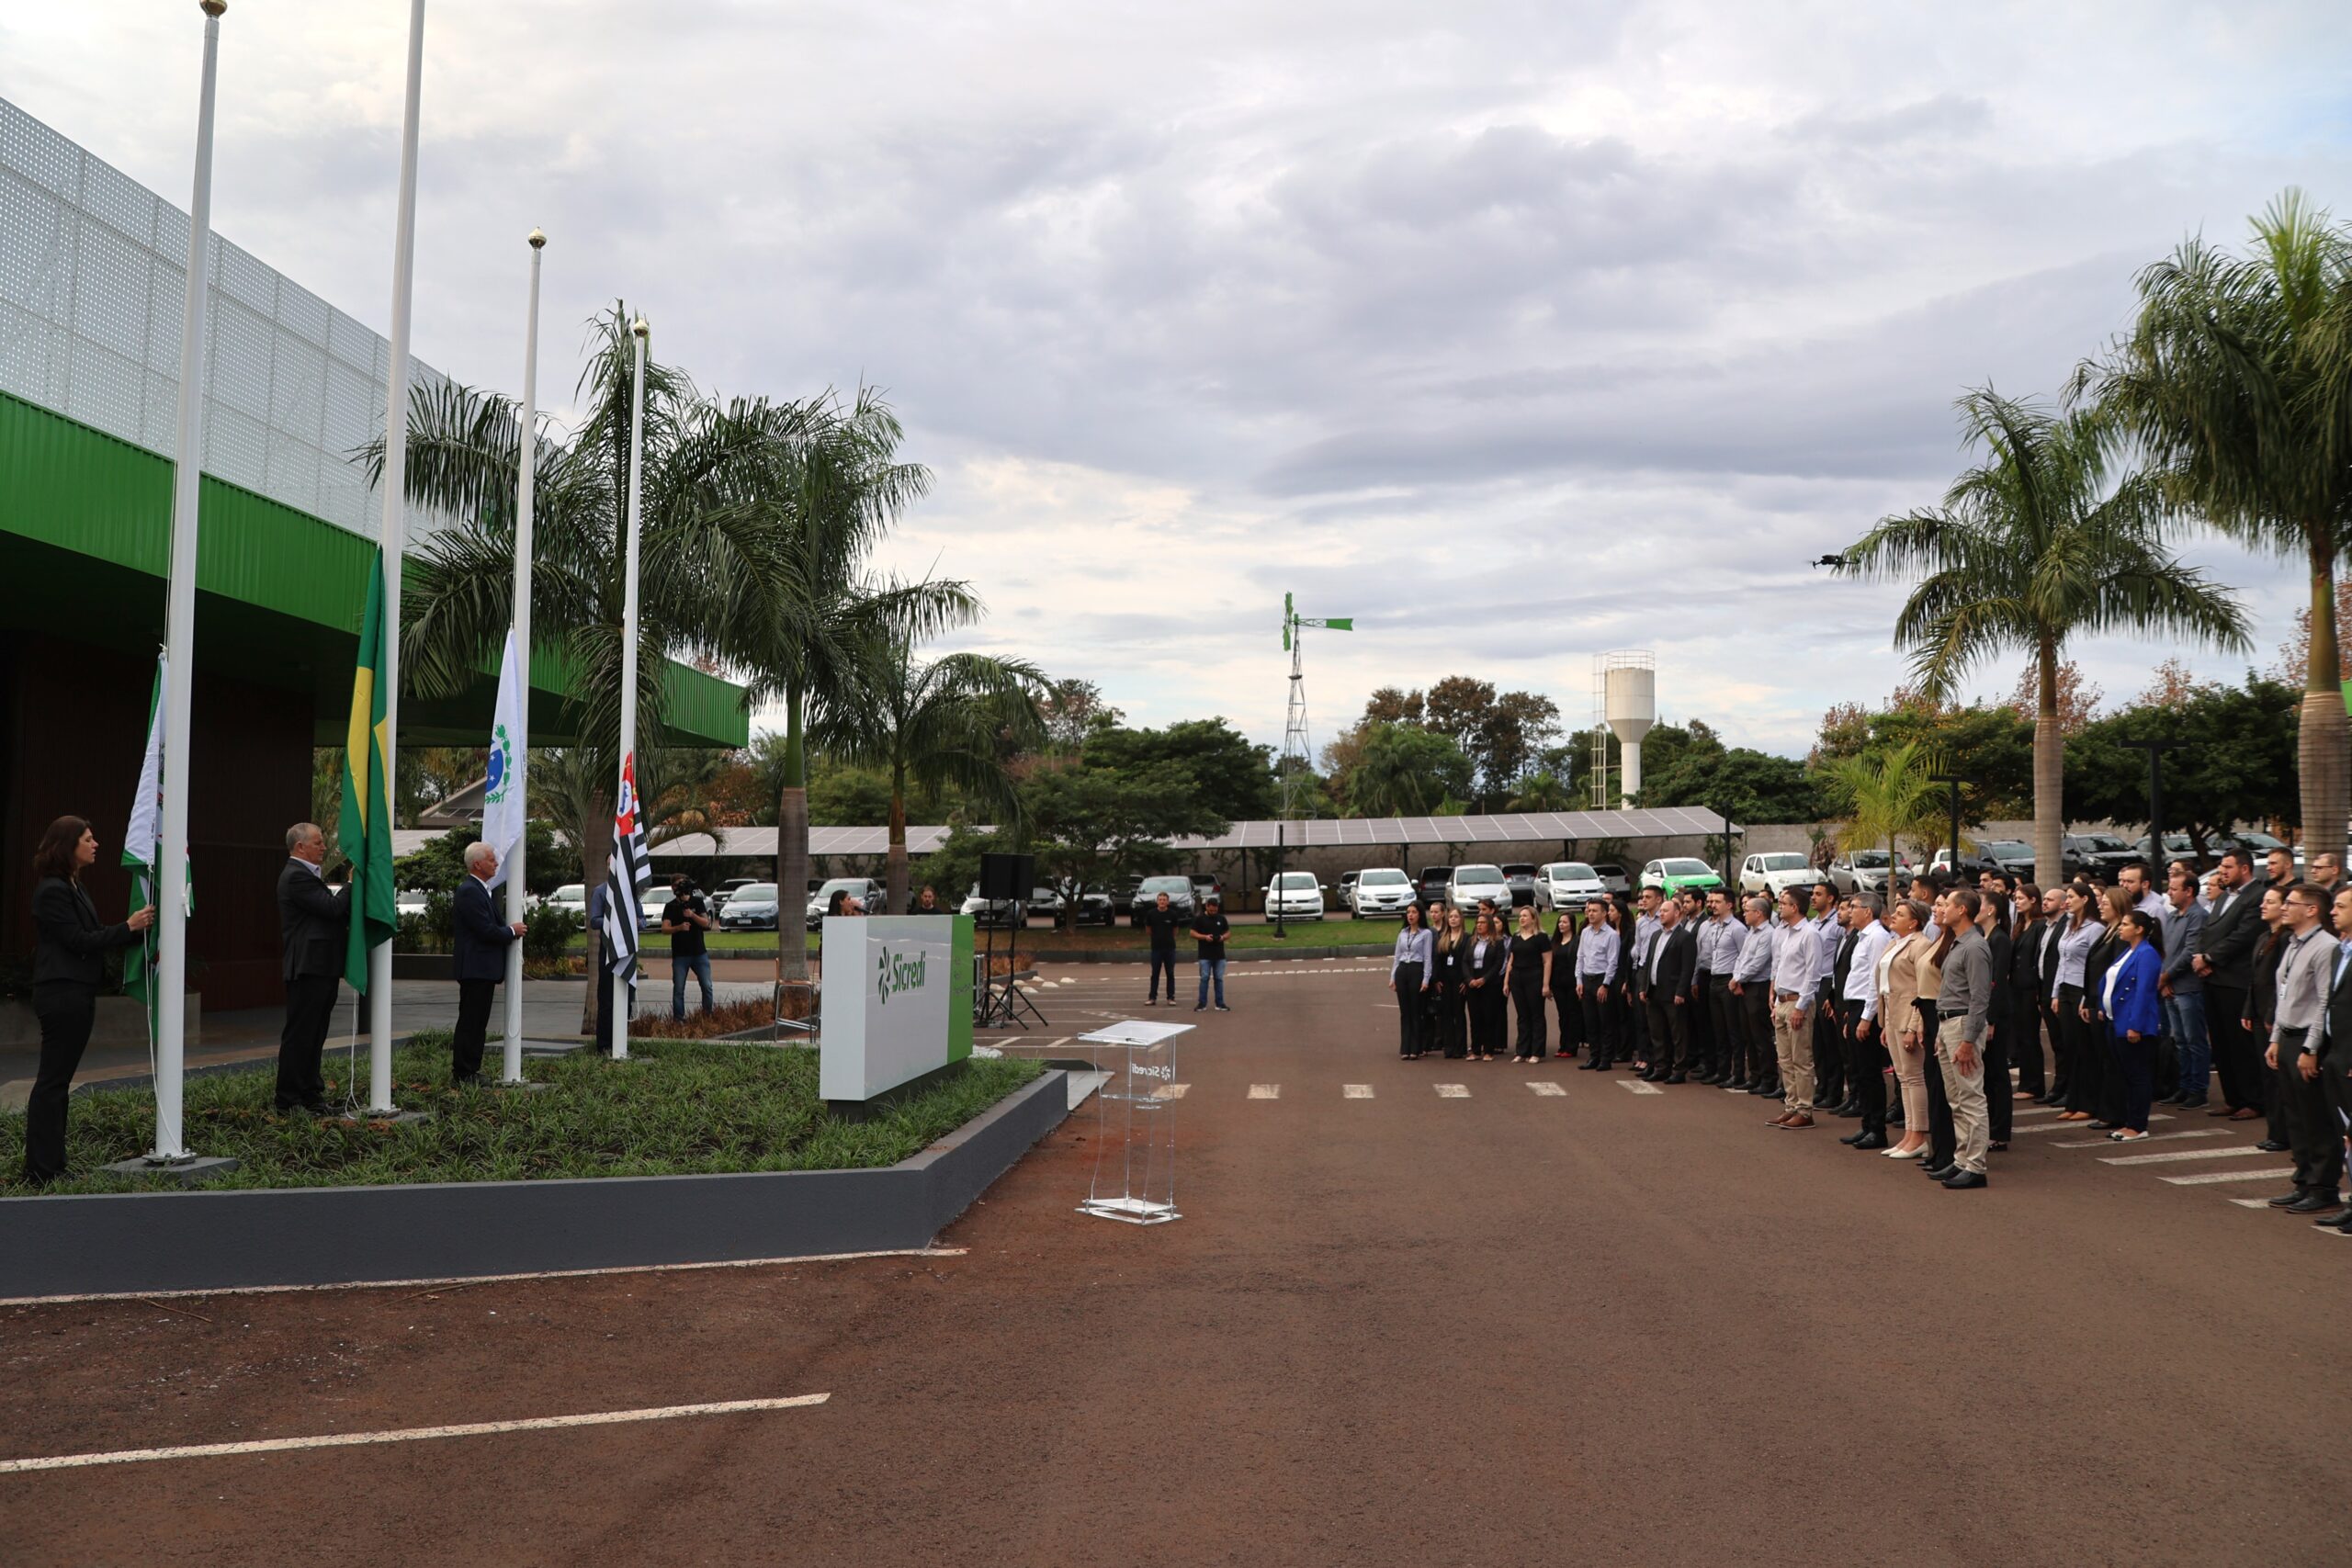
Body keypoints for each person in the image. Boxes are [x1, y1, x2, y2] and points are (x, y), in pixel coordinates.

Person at [21, 816, 155, 1185]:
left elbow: (91, 934)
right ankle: (41, 1171)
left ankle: (53, 1164)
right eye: (88, 838)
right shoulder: (52, 890)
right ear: (67, 846)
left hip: (77, 992)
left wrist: (128, 930)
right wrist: (127, 928)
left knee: (59, 1082)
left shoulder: (73, 886)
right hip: (62, 993)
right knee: (52, 1082)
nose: (95, 844)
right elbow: (79, 940)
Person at [2262, 884, 2342, 1213]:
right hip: (2288, 1038)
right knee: (2295, 1116)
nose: (2284, 908)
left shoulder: (2326, 947)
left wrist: (2311, 1047)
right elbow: (2284, 995)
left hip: (2309, 1041)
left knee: (2316, 1118)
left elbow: (2326, 1000)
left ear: (2311, 910)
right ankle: (2304, 1180)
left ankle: (2324, 1187)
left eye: (2291, 903)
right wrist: (2276, 1038)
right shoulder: (2292, 943)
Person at [274, 821, 351, 1115]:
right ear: (300, 847)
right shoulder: (296, 876)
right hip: (307, 967)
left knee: (315, 1033)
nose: (324, 848)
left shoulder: (306, 875)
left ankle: (310, 1095)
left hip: (321, 966)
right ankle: (288, 1099)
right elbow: (330, 909)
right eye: (318, 843)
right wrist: (352, 884)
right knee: (301, 1034)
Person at [1926, 887, 1994, 1188]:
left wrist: (1968, 1040)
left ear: (1962, 910)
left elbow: (1980, 998)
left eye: (1948, 905)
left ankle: (1976, 1166)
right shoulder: (1958, 943)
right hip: (1949, 1023)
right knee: (1956, 1099)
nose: (1942, 910)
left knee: (1971, 1097)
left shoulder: (1975, 946)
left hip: (1964, 1024)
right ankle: (1961, 1160)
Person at [2196, 849, 2265, 1119]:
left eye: (2227, 867)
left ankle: (2253, 1100)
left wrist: (2210, 957)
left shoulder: (2256, 896)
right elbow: (2208, 930)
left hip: (2236, 980)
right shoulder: (2224, 895)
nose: (2221, 872)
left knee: (2240, 1045)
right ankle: (2233, 1097)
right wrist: (2199, 956)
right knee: (2221, 1044)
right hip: (2213, 980)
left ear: (2244, 868)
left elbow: (2244, 936)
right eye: (2220, 867)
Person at [452, 840, 526, 1087]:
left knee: (477, 1022)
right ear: (477, 864)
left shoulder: (481, 889)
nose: (496, 863)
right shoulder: (470, 890)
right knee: (471, 1022)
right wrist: (511, 931)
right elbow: (485, 930)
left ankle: (471, 1069)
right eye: (491, 859)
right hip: (476, 968)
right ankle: (464, 1072)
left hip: (482, 969)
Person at [2096, 907, 2165, 1143]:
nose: (2121, 928)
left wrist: (2135, 1025)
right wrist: (2102, 1007)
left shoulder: (2147, 954)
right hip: (2115, 1021)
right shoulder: (2128, 951)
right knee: (2124, 1074)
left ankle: (2138, 1125)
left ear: (2139, 929)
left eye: (2125, 924)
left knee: (2138, 1075)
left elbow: (2144, 992)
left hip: (2132, 1025)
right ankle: (2128, 1121)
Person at [2308, 886, 2352, 1232]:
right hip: (2335, 1052)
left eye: (2340, 906)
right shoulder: (2340, 950)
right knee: (2345, 1133)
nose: (2332, 911)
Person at [1873, 899, 1931, 1158]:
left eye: (1900, 914)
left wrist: (1913, 1026)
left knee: (1913, 1076)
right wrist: (1884, 1022)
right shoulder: (1894, 942)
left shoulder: (1921, 945)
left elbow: (1922, 988)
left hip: (1908, 1015)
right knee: (1902, 1077)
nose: (1893, 916)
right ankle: (1909, 1134)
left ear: (1914, 922)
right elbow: (1884, 985)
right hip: (1892, 1015)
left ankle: (1919, 1135)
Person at [1835, 895, 1892, 1148]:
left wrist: (1867, 1017)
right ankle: (1867, 1125)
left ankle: (1877, 1129)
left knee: (1870, 1072)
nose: (1850, 912)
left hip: (1867, 1008)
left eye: (1854, 907)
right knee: (1860, 1070)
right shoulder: (1861, 936)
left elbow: (1875, 980)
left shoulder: (1877, 937)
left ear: (1867, 912)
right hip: (1856, 1006)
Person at [2052, 883, 2108, 1124]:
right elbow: (2061, 961)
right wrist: (2055, 993)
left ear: (2085, 899)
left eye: (2072, 897)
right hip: (2064, 988)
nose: (2067, 901)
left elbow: (2094, 966)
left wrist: (2087, 997)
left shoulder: (2095, 928)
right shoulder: (2068, 925)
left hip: (2081, 990)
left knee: (2084, 1048)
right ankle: (2073, 1101)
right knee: (2070, 1047)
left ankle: (2088, 1103)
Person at [1766, 889, 1819, 1128]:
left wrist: (1801, 1007)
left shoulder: (1809, 934)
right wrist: (1777, 1002)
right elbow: (1781, 968)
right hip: (1783, 1000)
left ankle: (1805, 1110)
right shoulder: (1786, 933)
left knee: (1801, 1059)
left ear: (1795, 907)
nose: (1780, 906)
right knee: (1785, 1059)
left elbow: (1812, 974)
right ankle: (1791, 1105)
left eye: (1784, 903)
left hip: (1799, 1002)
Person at [2244, 886, 2291, 1150]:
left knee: (2277, 1077)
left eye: (2270, 902)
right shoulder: (2264, 937)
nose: (2263, 905)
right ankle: (2275, 1131)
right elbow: (2255, 980)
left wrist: (2273, 1013)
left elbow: (2280, 983)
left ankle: (2283, 1134)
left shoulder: (2285, 940)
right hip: (2259, 1012)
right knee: (2267, 1075)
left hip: (2274, 1016)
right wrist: (2248, 1010)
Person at [2158, 871, 2211, 1108]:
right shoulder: (2172, 917)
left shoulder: (2197, 916)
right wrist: (2166, 980)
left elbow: (2190, 952)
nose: (2169, 892)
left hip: (2189, 988)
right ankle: (2185, 1086)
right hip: (2171, 987)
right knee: (2179, 1040)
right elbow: (2166, 952)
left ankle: (2198, 1090)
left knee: (2194, 1040)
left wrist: (2166, 977)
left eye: (2174, 888)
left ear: (2188, 891)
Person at [1975, 886, 2015, 1150]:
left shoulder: (1999, 939)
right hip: (1987, 1013)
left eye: (1979, 904)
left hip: (1997, 1014)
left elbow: (1997, 981)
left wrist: (1991, 1019)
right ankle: (1991, 1126)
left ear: (1991, 910)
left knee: (1998, 1074)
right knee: (1988, 1074)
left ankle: (2000, 1131)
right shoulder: (1985, 937)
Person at [1645, 896, 1696, 1082]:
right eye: (1660, 911)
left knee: (1677, 1034)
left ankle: (1679, 1070)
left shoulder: (1685, 937)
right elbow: (1650, 962)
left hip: (1673, 993)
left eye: (1665, 911)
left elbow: (1687, 967)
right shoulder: (1656, 935)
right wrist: (1644, 987)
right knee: (1657, 1033)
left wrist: (1681, 992)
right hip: (1654, 991)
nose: (1661, 914)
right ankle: (1661, 1067)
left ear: (1677, 913)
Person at [1730, 894, 1776, 1095]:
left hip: (1758, 987)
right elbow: (1741, 958)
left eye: (1747, 910)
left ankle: (1768, 1078)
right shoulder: (1751, 932)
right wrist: (1737, 978)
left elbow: (1759, 962)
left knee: (1761, 1036)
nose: (1744, 914)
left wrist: (1739, 979)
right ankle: (1755, 1075)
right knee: (1748, 1034)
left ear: (1759, 913)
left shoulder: (1768, 934)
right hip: (1744, 986)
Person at [1809, 883, 1849, 1111]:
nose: (1813, 898)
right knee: (1818, 1042)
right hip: (1815, 982)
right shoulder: (1813, 923)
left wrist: (1832, 991)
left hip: (1828, 981)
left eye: (1818, 894)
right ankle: (1822, 1086)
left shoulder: (1836, 924)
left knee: (1830, 1041)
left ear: (1831, 898)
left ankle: (1834, 1092)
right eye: (1812, 894)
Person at [1696, 889, 1742, 1085]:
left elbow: (1743, 955)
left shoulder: (1737, 928)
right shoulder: (1714, 927)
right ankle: (1722, 1071)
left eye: (1717, 901)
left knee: (1733, 1030)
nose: (1712, 905)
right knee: (1718, 1030)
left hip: (1729, 981)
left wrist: (1738, 979)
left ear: (1729, 905)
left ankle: (1738, 1073)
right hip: (1713, 979)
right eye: (1711, 901)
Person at [2010, 884, 2050, 1100]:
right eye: (2015, 898)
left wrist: (2038, 990)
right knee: (2020, 1036)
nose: (2017, 902)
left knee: (2030, 1037)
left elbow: (2037, 959)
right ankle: (2027, 1082)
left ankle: (2034, 1085)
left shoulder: (2039, 925)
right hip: (2016, 987)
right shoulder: (2020, 925)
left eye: (2021, 898)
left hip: (2030, 988)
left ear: (2033, 900)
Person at [1575, 899, 1620, 1071]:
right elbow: (1580, 958)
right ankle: (1594, 1056)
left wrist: (1606, 984)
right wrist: (1579, 980)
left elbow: (1612, 962)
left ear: (1604, 913)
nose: (1591, 913)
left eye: (1595, 911)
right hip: (1587, 979)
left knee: (1605, 1022)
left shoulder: (1611, 935)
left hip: (1602, 980)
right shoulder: (1585, 932)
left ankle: (1606, 1059)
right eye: (1589, 910)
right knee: (1590, 1021)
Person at [1504, 906, 1552, 1063]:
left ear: (1533, 918)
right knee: (1522, 1015)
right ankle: (1522, 1051)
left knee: (1536, 1015)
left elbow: (1547, 961)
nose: (1522, 918)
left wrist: (1545, 985)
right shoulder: (1516, 937)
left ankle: (1536, 1052)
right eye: (1520, 916)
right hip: (1517, 977)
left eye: (1525, 916)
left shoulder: (1541, 937)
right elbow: (1511, 960)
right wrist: (1507, 982)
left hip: (1535, 977)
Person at [662, 875, 715, 1020]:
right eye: (679, 885)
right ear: (673, 887)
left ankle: (707, 1016)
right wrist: (678, 928)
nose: (682, 888)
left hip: (699, 953)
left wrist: (692, 915)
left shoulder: (697, 902)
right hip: (680, 955)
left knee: (707, 986)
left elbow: (706, 923)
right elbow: (665, 929)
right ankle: (679, 1019)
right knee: (678, 989)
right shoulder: (670, 906)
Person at [1390, 901, 1434, 1059]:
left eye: (1414, 912)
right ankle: (1405, 1048)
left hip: (1417, 969)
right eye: (1408, 912)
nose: (1410, 915)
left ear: (1420, 914)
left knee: (1416, 1011)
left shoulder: (1426, 934)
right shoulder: (1402, 933)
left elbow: (1428, 958)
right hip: (1403, 970)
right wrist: (1393, 977)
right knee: (1405, 1012)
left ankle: (1416, 1048)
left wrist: (1426, 979)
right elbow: (1397, 957)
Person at [1464, 912, 1507, 1061]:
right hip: (1472, 982)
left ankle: (1489, 1050)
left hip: (1489, 984)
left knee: (1489, 1017)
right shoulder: (1471, 941)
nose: (1479, 925)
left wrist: (1484, 979)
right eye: (1477, 922)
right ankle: (1475, 1050)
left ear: (1489, 925)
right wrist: (1469, 979)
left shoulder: (1498, 942)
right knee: (1475, 1018)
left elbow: (1498, 964)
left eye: (1483, 922)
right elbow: (1465, 961)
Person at [1432, 905, 1471, 1060]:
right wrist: (1436, 980)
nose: (1453, 919)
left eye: (1456, 916)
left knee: (1459, 1013)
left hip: (1460, 981)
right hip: (1445, 981)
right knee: (1446, 1014)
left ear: (1461, 919)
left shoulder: (1467, 938)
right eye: (1451, 917)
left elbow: (1468, 960)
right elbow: (1438, 960)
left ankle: (1460, 1048)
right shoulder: (1443, 937)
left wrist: (1466, 980)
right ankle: (1448, 1046)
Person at [1548, 908, 1583, 1059]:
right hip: (1557, 984)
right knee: (1563, 1015)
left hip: (1572, 983)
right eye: (1560, 922)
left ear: (1571, 924)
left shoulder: (1577, 941)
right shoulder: (1554, 942)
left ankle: (1571, 1046)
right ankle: (1563, 1045)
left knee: (1573, 1014)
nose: (1561, 925)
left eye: (1565, 922)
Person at [1191, 896, 1231, 1012]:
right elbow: (1192, 933)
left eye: (1215, 910)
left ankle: (1220, 1003)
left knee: (1219, 979)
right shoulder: (1199, 919)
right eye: (1211, 910)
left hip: (1219, 955)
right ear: (1207, 907)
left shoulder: (1221, 919)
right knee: (1204, 978)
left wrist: (1223, 937)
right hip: (1205, 955)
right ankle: (1202, 1003)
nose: (1213, 912)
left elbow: (1228, 932)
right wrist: (1204, 937)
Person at [1143, 889, 1182, 1006]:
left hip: (1169, 948)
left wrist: (1169, 938)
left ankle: (1171, 997)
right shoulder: (1151, 914)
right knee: (1155, 973)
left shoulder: (1173, 914)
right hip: (1156, 948)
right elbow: (1148, 929)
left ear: (1168, 902)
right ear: (1157, 901)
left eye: (1164, 900)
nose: (1162, 902)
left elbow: (1175, 930)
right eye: (1160, 900)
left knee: (1170, 973)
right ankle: (1152, 997)